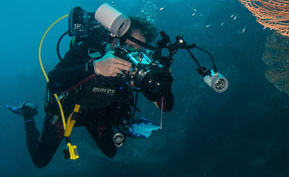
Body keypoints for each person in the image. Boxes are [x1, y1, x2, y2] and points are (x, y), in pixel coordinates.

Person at [9, 16, 173, 167]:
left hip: (98, 115)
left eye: (138, 50)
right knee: (40, 160)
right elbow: (54, 82)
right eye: (129, 46)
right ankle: (27, 113)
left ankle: (127, 126)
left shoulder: (136, 65)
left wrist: (161, 84)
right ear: (115, 39)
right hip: (68, 111)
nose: (132, 55)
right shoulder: (87, 50)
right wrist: (94, 68)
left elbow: (165, 107)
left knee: (111, 152)